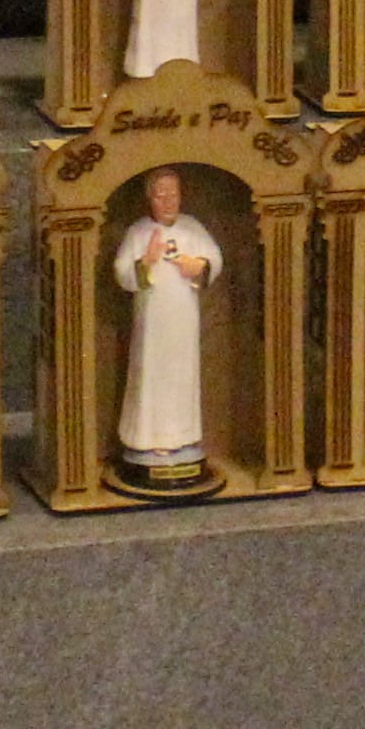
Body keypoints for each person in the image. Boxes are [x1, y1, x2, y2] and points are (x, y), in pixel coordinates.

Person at [108, 170, 222, 494]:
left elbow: (214, 259)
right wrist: (146, 261)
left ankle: (182, 437)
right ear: (151, 199)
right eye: (161, 195)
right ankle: (149, 439)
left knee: (182, 374)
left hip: (184, 317)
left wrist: (200, 267)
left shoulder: (192, 228)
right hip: (153, 320)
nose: (168, 201)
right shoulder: (138, 232)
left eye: (173, 194)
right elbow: (121, 272)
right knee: (152, 374)